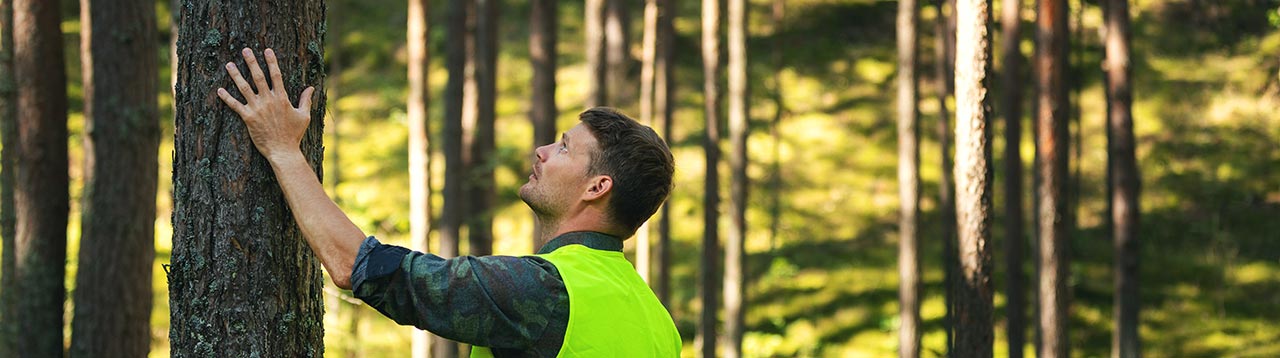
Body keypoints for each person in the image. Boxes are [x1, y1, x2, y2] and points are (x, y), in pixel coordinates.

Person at [216, 48, 681, 357]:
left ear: (596, 187)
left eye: (563, 148)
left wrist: (282, 149)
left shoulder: (543, 290)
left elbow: (359, 267)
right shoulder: (660, 325)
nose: (541, 151)